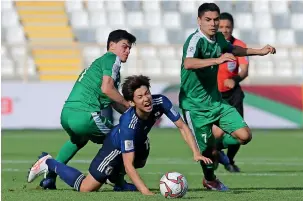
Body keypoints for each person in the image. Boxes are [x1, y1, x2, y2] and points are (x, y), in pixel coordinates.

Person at [27, 75, 212, 195]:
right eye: (140, 97)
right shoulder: (128, 125)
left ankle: (117, 181)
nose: (146, 98)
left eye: (146, 93)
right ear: (131, 102)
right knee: (87, 188)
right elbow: (128, 164)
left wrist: (195, 152)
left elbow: (182, 127)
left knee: (141, 158)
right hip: (115, 146)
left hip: (140, 141)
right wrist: (146, 192)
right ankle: (48, 162)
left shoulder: (160, 101)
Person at [179, 3, 276, 191]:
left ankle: (214, 147)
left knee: (245, 136)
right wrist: (217, 60)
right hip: (194, 106)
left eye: (216, 19)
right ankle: (210, 179)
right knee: (205, 152)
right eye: (208, 20)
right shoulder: (194, 40)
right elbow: (188, 63)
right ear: (199, 21)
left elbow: (233, 49)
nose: (213, 23)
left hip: (216, 102)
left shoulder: (218, 39)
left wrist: (259, 51)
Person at [40, 29, 137, 191]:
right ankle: (118, 183)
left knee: (78, 140)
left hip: (67, 114)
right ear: (112, 45)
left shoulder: (100, 65)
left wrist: (131, 113)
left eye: (129, 49)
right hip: (85, 115)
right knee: (122, 138)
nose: (127, 51)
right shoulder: (112, 59)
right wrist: (129, 105)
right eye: (124, 46)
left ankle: (49, 178)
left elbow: (112, 100)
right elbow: (107, 89)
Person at [212, 12, 250, 173]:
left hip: (233, 94)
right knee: (218, 132)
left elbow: (245, 70)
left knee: (240, 133)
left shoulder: (238, 45)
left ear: (232, 28)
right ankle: (215, 153)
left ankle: (229, 159)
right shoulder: (211, 44)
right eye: (221, 27)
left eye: (228, 27)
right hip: (215, 95)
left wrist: (235, 80)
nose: (225, 30)